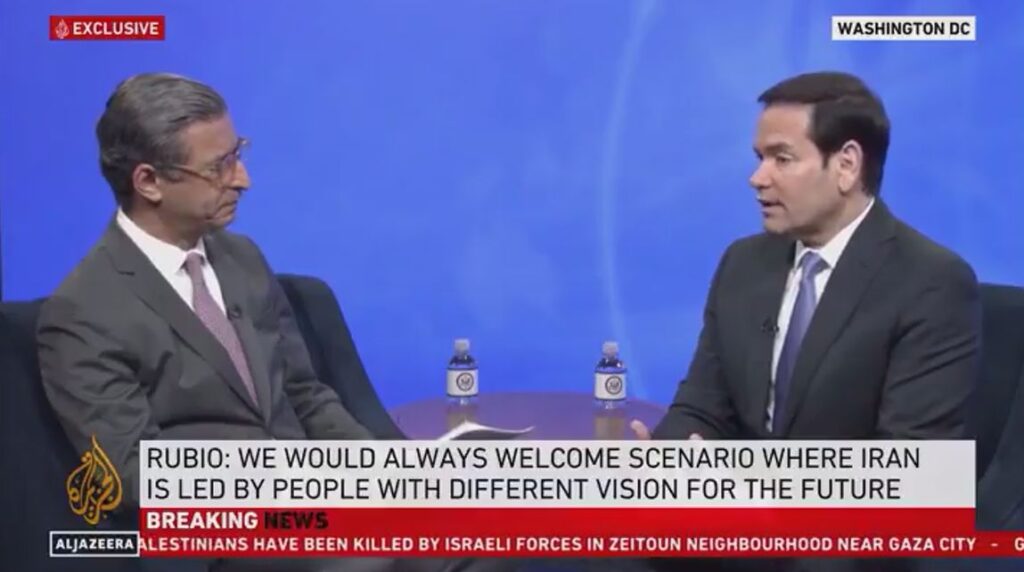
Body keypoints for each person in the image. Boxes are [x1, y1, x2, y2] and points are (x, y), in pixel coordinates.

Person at [36, 72, 513, 572]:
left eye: (237, 154)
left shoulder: (241, 258)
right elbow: (135, 475)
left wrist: (381, 478)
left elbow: (305, 394)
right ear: (149, 182)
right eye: (218, 167)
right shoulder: (84, 312)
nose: (242, 179)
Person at [631, 71, 981, 572]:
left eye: (782, 158)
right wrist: (671, 463)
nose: (757, 178)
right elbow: (702, 407)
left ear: (846, 165)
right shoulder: (743, 264)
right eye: (759, 158)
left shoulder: (931, 282)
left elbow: (909, 474)